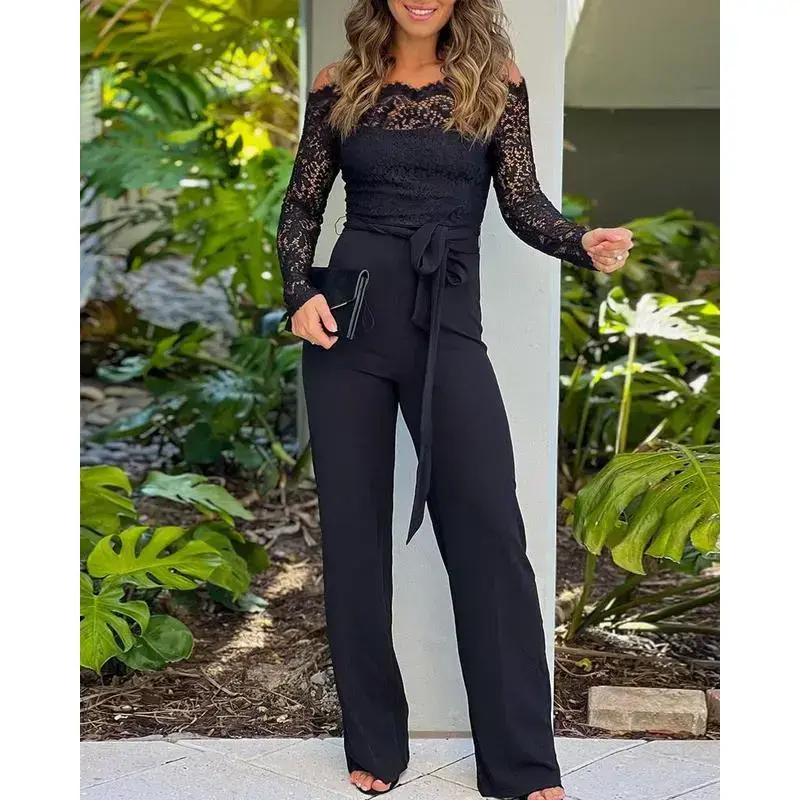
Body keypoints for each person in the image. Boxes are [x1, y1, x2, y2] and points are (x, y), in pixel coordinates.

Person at [276, 2, 632, 798]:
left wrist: (581, 242)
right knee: (355, 540)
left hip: (446, 325)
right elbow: (302, 205)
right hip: (347, 326)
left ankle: (520, 763)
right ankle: (375, 743)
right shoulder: (341, 85)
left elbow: (523, 202)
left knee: (491, 536)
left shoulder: (495, 83)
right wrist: (300, 293)